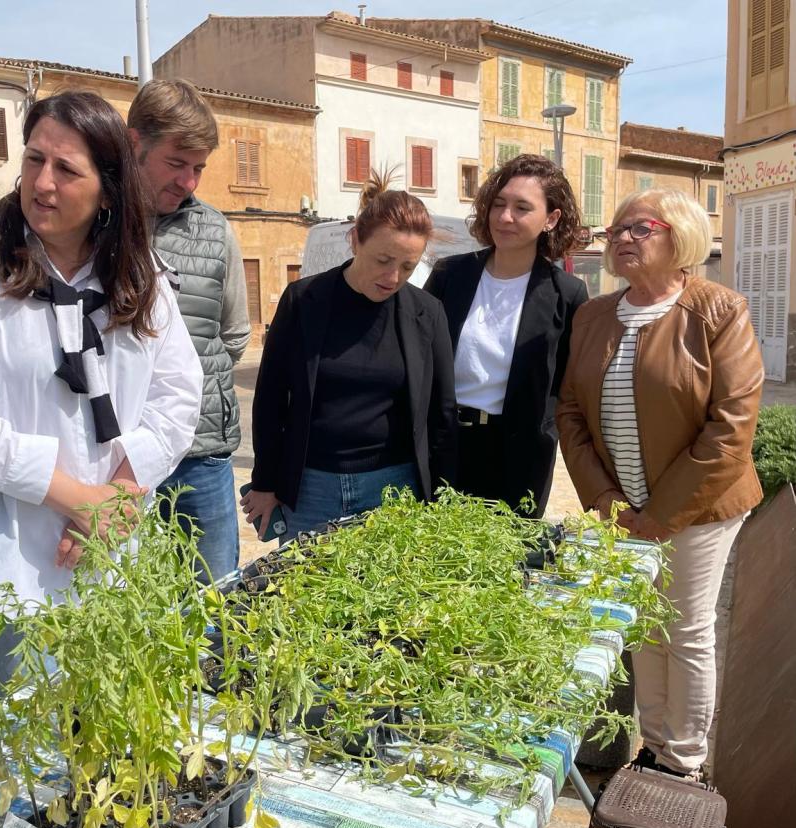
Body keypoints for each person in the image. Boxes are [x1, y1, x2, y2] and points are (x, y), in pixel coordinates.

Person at [0, 91, 202, 695]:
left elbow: (179, 395)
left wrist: (119, 495)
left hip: (117, 553)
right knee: (45, 732)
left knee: (119, 722)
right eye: (34, 160)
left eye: (66, 169)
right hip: (10, 567)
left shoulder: (141, 274)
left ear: (108, 190)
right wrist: (78, 500)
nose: (42, 183)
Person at [557, 188, 763, 778]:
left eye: (639, 228)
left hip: (702, 509)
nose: (622, 238)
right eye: (616, 229)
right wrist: (605, 499)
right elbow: (570, 413)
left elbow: (730, 428)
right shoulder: (594, 315)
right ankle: (654, 746)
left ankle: (684, 760)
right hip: (625, 508)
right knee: (643, 627)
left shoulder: (718, 310)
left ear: (681, 235)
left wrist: (659, 516)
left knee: (686, 627)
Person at [242, 176, 457, 542]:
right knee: (306, 579)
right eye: (383, 260)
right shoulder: (302, 301)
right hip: (310, 488)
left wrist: (443, 499)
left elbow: (442, 413)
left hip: (394, 489)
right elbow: (271, 400)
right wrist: (265, 483)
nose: (393, 277)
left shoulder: (427, 313)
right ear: (355, 239)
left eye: (408, 266)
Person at [127, 79, 250, 583]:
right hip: (119, 459)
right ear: (134, 144)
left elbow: (234, 336)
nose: (189, 182)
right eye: (177, 163)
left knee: (213, 597)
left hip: (200, 454)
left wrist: (187, 387)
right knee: (126, 603)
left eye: (199, 168)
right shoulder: (92, 223)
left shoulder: (216, 231)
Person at [425, 154, 587, 517]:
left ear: (551, 219)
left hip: (519, 457)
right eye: (498, 204)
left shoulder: (567, 294)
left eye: (521, 208)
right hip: (445, 444)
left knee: (510, 551)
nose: (504, 217)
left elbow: (569, 383)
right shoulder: (450, 275)